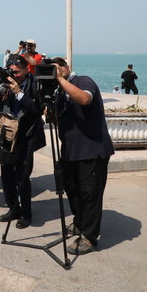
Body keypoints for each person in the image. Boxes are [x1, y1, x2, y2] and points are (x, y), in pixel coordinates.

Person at [53, 57, 114, 255]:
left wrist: (61, 80)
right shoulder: (59, 91)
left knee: (90, 194)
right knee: (72, 189)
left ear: (65, 67)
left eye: (57, 68)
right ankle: (79, 223)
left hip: (92, 150)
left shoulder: (83, 81)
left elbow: (85, 99)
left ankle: (89, 236)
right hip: (71, 150)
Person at [0, 54, 46, 229]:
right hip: (6, 136)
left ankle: (26, 214)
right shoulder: (7, 82)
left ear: (27, 69)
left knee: (22, 178)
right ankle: (13, 208)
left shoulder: (35, 83)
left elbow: (36, 110)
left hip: (25, 137)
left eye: (17, 72)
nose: (15, 75)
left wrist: (18, 93)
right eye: (12, 72)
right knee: (6, 177)